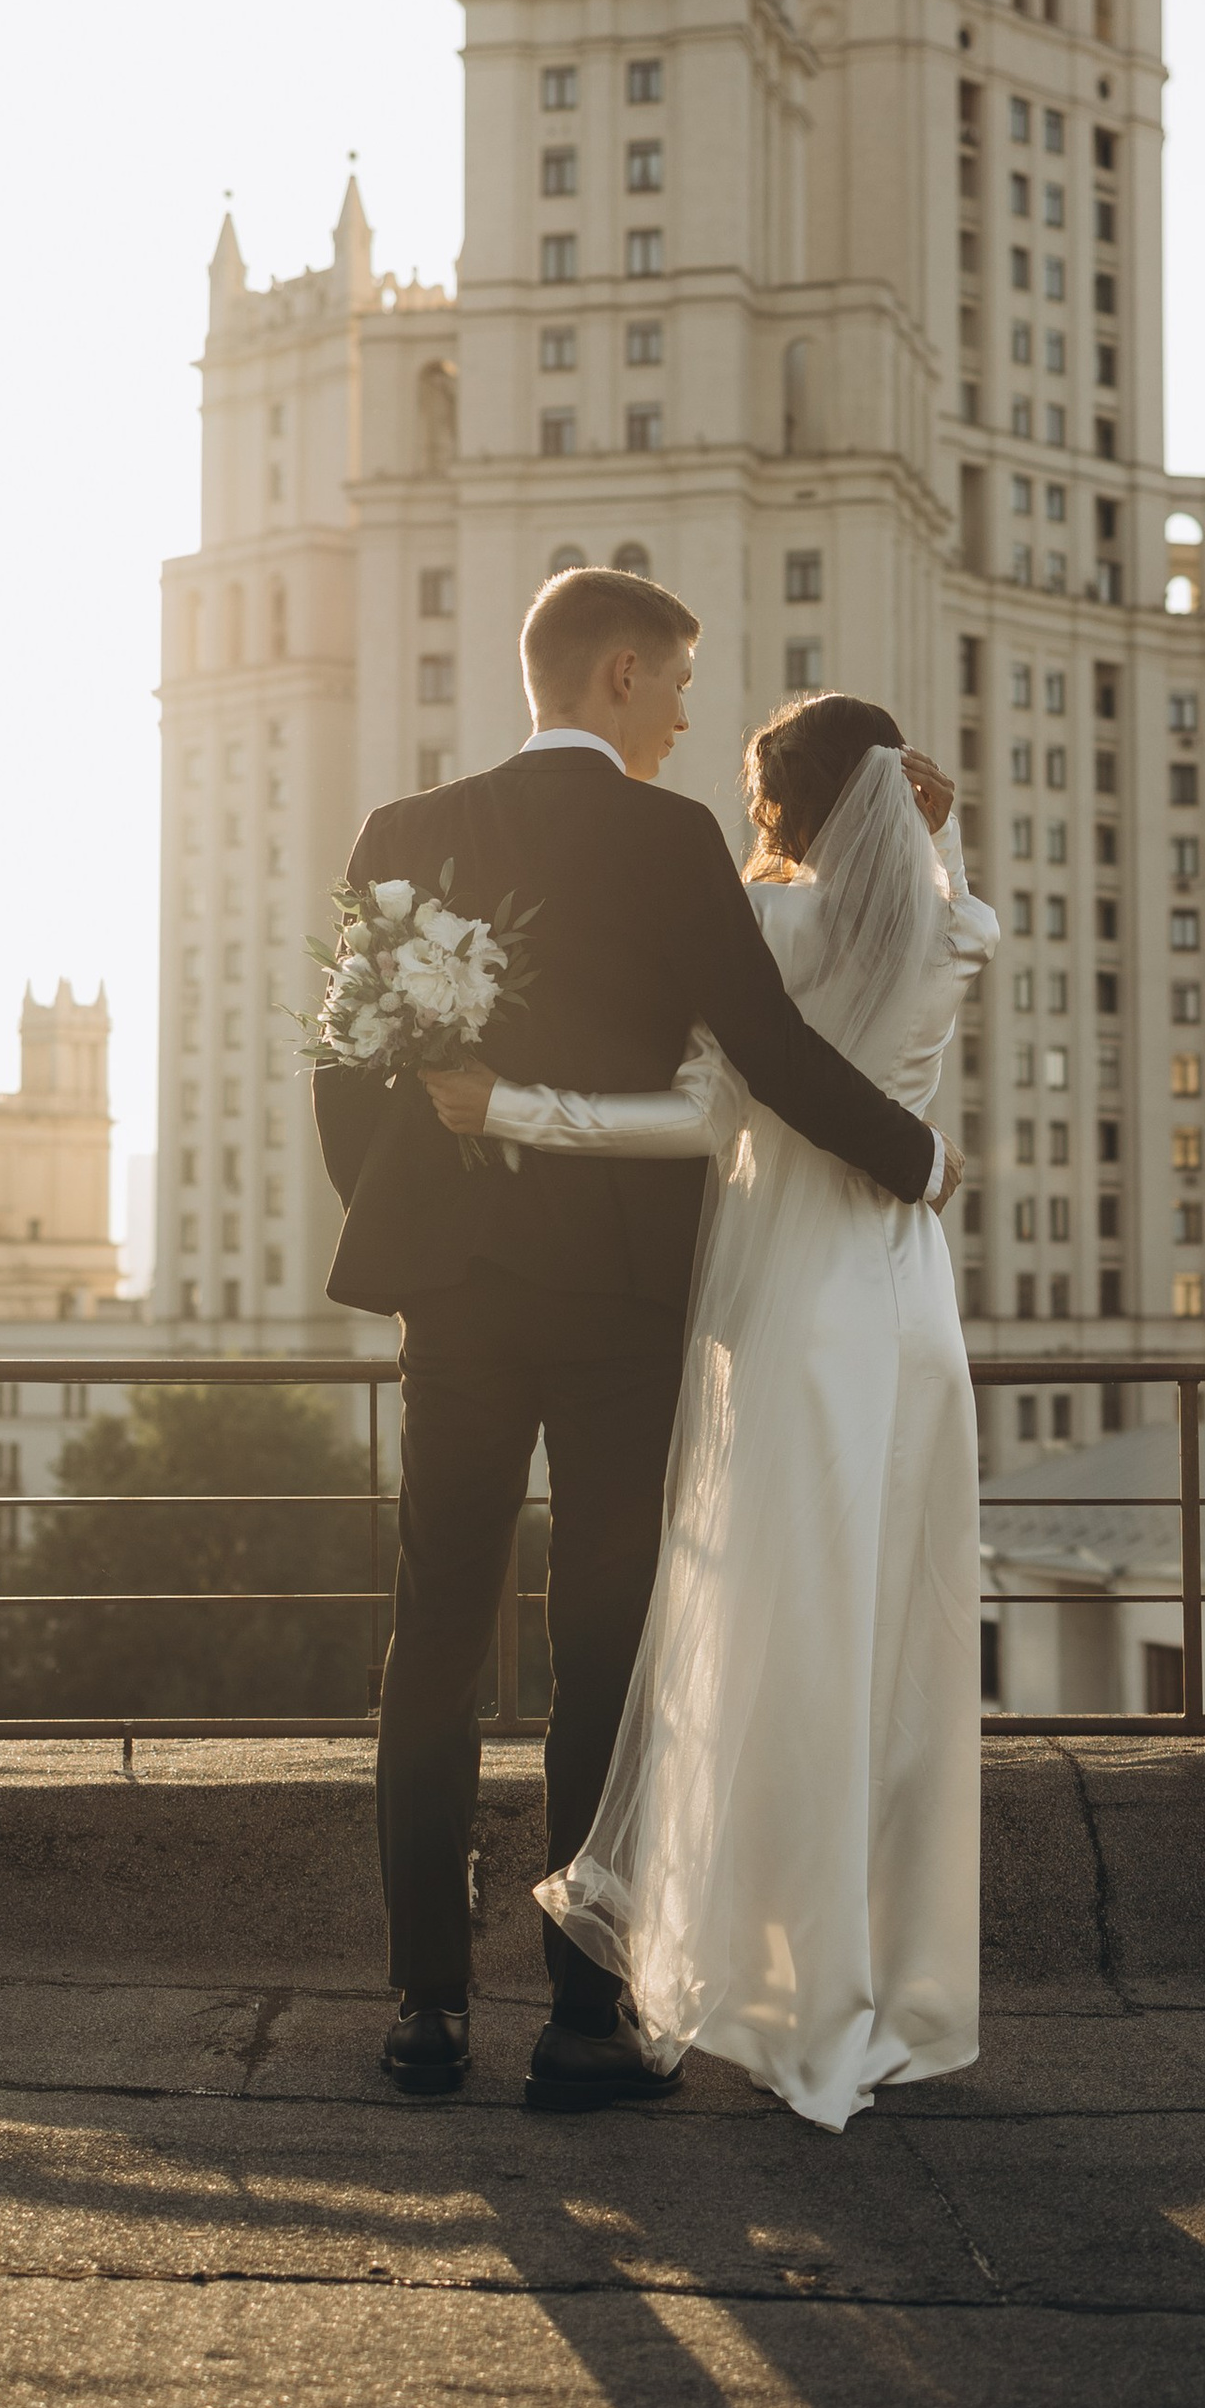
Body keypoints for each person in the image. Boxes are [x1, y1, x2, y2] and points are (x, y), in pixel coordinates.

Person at [312, 567, 958, 2110]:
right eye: (672, 682)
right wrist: (915, 1156)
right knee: (603, 1642)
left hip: (457, 1301)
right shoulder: (670, 841)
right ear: (615, 674)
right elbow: (768, 1051)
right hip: (620, 1309)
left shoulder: (400, 834)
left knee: (434, 1637)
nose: (682, 714)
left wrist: (419, 1240)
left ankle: (425, 2010)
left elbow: (345, 1069)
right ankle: (583, 2024)